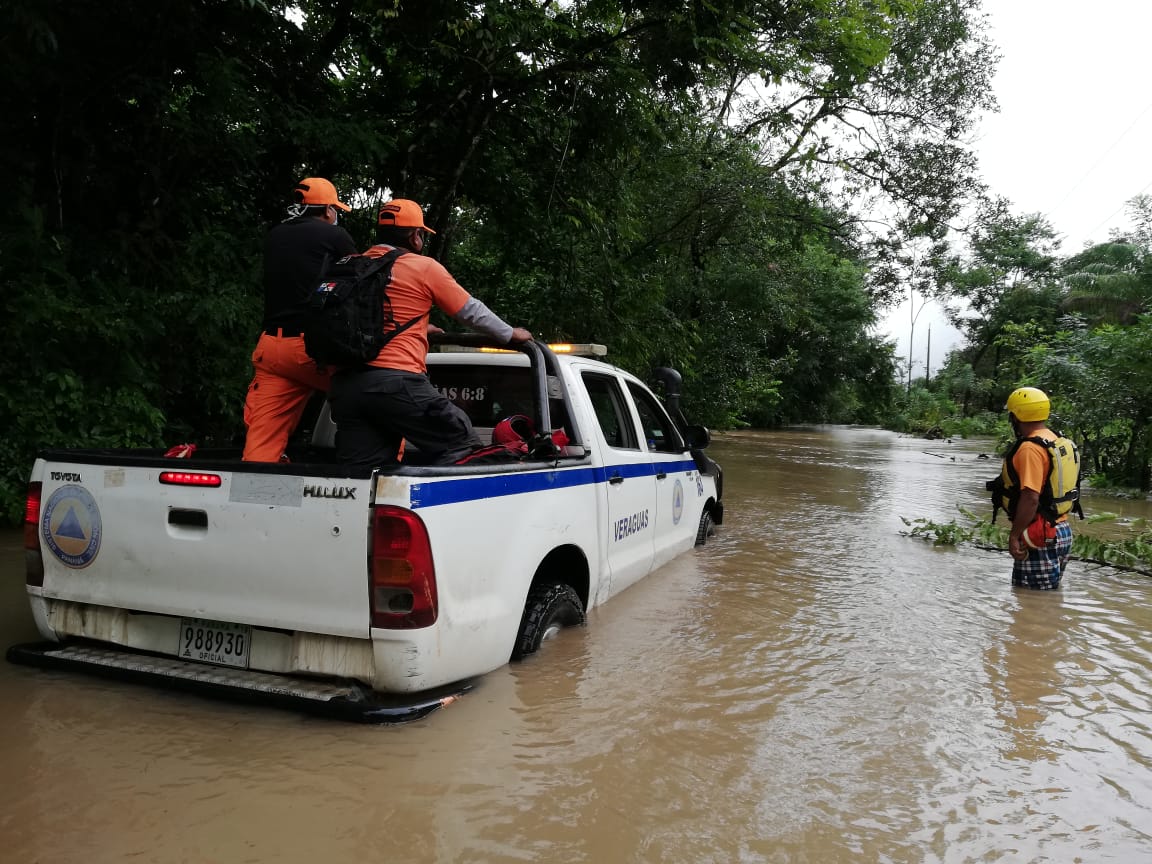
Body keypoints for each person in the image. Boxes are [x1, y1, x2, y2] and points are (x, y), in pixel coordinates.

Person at [327, 199, 533, 468]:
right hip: (396, 383)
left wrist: (420, 327)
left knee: (362, 475)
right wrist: (510, 334)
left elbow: (368, 318)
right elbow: (470, 310)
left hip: (346, 386)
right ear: (415, 235)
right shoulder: (422, 267)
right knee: (461, 443)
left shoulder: (352, 266)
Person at [242, 177, 357, 461]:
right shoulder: (335, 236)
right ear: (328, 209)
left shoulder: (275, 235)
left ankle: (255, 492)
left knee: (262, 442)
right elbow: (360, 286)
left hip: (272, 349)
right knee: (379, 401)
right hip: (314, 349)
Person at [999, 386, 1075, 590]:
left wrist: (1015, 535)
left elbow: (1031, 498)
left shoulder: (1030, 449)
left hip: (1039, 533)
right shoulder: (1056, 440)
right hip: (1062, 531)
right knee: (1047, 603)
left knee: (1032, 607)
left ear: (1015, 417)